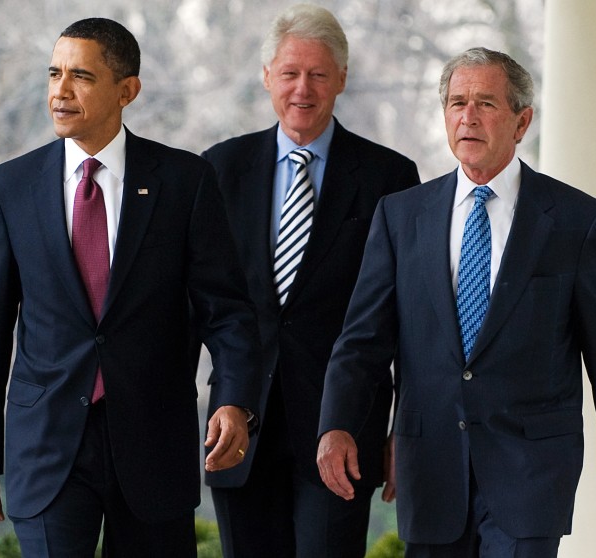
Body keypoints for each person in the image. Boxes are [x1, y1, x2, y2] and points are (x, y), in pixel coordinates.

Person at [317, 47, 596, 557]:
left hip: (530, 475)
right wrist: (337, 424)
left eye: (485, 103)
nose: (468, 117)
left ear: (522, 122)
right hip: (429, 467)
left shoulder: (575, 221)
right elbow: (363, 339)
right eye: (456, 103)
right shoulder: (401, 216)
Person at [0, 18, 261, 558]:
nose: (60, 91)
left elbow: (228, 311)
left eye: (81, 76)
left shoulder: (184, 182)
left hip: (153, 447)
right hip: (47, 449)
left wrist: (234, 400)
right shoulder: (10, 187)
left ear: (127, 90)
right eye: (54, 74)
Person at [199, 4, 419, 557]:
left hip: (341, 430)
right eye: (291, 72)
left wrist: (404, 430)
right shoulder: (218, 171)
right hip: (239, 427)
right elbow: (199, 304)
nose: (304, 88)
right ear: (267, 75)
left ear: (341, 79)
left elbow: (408, 322)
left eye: (319, 74)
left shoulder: (388, 178)